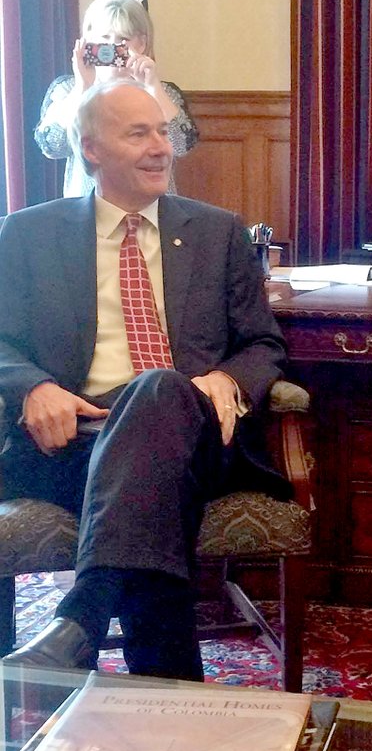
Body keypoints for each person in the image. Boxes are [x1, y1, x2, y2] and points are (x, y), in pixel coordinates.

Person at [0, 79, 288, 681]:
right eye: (139, 133)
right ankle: (172, 691)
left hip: (194, 432)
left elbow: (263, 343)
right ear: (91, 149)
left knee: (156, 388)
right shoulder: (28, 235)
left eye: (165, 131)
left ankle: (82, 616)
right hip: (73, 438)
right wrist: (31, 386)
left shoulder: (217, 231)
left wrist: (229, 383)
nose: (161, 147)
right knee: (148, 487)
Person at [34, 0, 198, 198]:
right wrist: (83, 86)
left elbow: (182, 145)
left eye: (122, 39)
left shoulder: (164, 92)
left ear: (141, 43)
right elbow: (53, 146)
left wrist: (152, 85)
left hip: (154, 210)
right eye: (104, 38)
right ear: (88, 41)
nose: (111, 47)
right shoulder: (66, 90)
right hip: (88, 213)